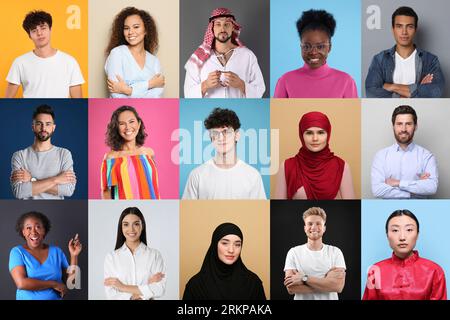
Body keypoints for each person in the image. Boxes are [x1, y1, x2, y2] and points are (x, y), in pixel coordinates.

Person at [182, 108, 266, 199]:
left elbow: (258, 212)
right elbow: (189, 212)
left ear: (237, 135)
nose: (221, 138)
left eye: (226, 132)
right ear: (211, 137)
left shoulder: (253, 176)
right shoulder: (197, 176)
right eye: (215, 133)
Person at [363, 209, 446, 300]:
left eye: (409, 230)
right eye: (395, 230)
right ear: (387, 235)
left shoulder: (434, 271)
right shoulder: (375, 270)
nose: (402, 237)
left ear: (417, 234)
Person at [274, 9, 357, 98]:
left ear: (329, 47)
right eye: (307, 46)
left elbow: (352, 112)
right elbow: (278, 112)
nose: (313, 52)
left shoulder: (346, 81)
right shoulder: (285, 81)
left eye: (320, 46)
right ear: (301, 47)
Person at [184, 7, 265, 98]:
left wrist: (241, 85)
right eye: (218, 24)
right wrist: (205, 85)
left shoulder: (248, 56)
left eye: (227, 24)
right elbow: (187, 93)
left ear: (233, 27)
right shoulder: (198, 58)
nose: (222, 29)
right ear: (212, 28)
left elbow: (260, 89)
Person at [365, 6, 445, 98]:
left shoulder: (430, 60)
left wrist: (391, 86)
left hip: (421, 111)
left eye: (409, 27)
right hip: (386, 111)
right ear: (393, 29)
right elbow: (371, 92)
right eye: (399, 26)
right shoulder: (380, 59)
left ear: (415, 29)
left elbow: (435, 92)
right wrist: (417, 90)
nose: (404, 32)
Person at [274, 111, 355, 200]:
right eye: (309, 133)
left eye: (321, 133)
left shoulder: (341, 166)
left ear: (328, 134)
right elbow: (279, 208)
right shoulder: (287, 166)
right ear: (301, 134)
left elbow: (349, 207)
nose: (315, 138)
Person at [5, 10, 84, 98]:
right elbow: (7, 100)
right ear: (29, 35)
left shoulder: (70, 62)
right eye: (34, 30)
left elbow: (78, 101)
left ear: (50, 29)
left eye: (43, 28)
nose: (39, 33)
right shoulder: (20, 62)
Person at [9, 211, 82, 300]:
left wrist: (74, 255)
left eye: (38, 227)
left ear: (44, 230)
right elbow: (21, 283)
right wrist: (53, 284)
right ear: (23, 232)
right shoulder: (17, 252)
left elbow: (71, 283)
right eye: (28, 228)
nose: (33, 232)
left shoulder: (57, 252)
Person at [183, 222, 266, 300]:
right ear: (215, 245)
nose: (231, 250)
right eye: (225, 243)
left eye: (237, 245)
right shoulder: (195, 285)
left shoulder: (253, 283)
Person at [10, 104, 76, 199]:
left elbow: (68, 190)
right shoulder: (19, 156)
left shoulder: (64, 154)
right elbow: (19, 192)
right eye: (39, 123)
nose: (43, 128)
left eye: (48, 124)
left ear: (54, 127)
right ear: (33, 126)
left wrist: (32, 180)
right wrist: (57, 180)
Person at [371, 105, 438, 199]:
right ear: (393, 126)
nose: (403, 129)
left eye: (408, 124)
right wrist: (414, 190)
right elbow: (377, 190)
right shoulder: (381, 156)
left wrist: (398, 183)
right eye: (399, 124)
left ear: (415, 126)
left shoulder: (426, 156)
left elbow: (431, 187)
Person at [284, 207, 346, 300]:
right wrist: (326, 283)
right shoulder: (293, 252)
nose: (313, 227)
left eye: (318, 224)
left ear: (324, 228)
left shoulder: (335, 252)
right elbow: (291, 288)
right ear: (305, 228)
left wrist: (304, 279)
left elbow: (338, 287)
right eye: (310, 224)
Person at [104, 207, 166, 300]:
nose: (131, 229)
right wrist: (147, 287)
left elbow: (159, 289)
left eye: (136, 224)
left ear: (142, 226)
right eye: (126, 224)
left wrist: (122, 287)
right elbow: (111, 295)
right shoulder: (111, 258)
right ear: (121, 227)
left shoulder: (155, 255)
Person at [101, 105, 160, 199]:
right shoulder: (111, 157)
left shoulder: (149, 153)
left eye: (131, 121)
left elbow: (152, 185)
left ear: (139, 124)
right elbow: (106, 192)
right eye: (122, 124)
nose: (128, 127)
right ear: (116, 127)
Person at [105, 7, 164, 98]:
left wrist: (127, 90)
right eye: (126, 28)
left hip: (147, 110)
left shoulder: (154, 61)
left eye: (136, 27)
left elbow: (156, 97)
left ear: (146, 30)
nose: (130, 32)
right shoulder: (117, 54)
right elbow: (117, 96)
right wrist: (149, 84)